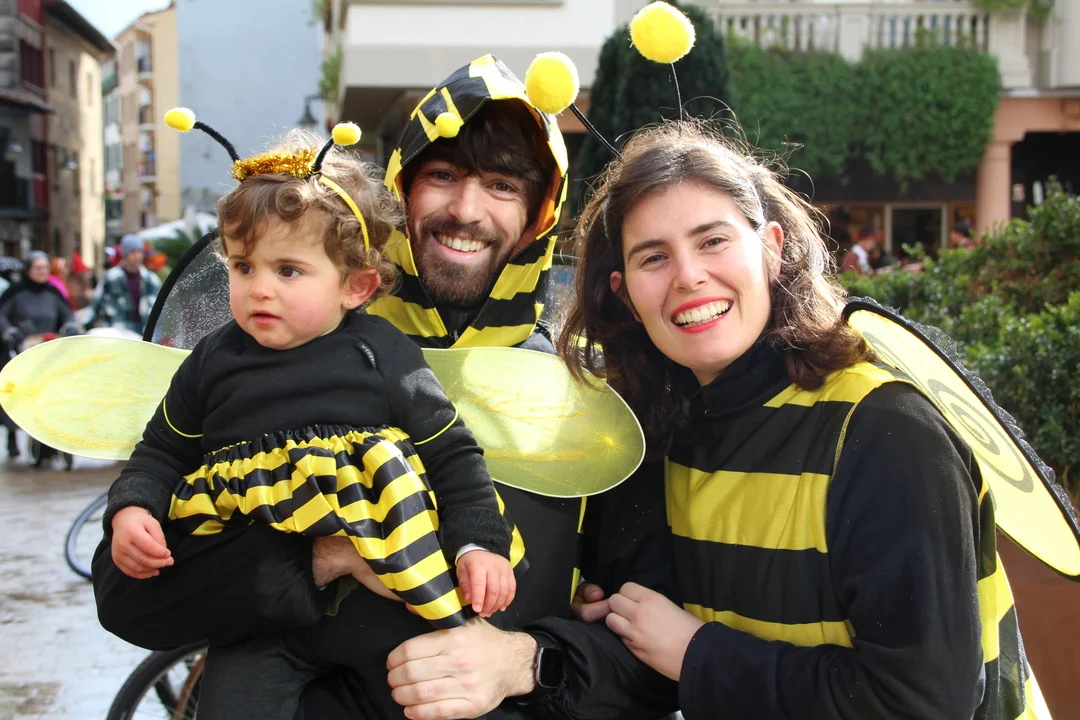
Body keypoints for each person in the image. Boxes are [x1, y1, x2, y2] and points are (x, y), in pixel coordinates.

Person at [92, 55, 679, 720]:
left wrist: (525, 660)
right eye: (442, 175)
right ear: (401, 187)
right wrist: (322, 557)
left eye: (502, 184)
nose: (466, 210)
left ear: (538, 215)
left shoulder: (587, 401)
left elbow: (653, 663)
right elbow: (130, 601)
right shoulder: (274, 355)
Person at [558, 121, 1049, 720]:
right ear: (625, 293)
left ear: (772, 248)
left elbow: (921, 703)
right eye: (654, 257)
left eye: (713, 241)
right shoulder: (673, 430)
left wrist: (694, 653)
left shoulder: (884, 429)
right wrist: (619, 612)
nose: (688, 275)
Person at [103, 126, 518, 719]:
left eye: (288, 270)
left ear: (356, 286)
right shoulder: (212, 361)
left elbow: (451, 452)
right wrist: (132, 510)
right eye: (243, 266)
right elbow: (162, 452)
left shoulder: (381, 352)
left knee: (426, 700)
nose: (259, 289)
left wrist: (479, 542)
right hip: (258, 614)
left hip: (387, 594)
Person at [0, 251, 79, 457]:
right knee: (18, 393)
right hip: (22, 348)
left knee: (50, 393)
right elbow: (2, 316)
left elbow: (67, 313)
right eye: (38, 267)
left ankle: (48, 441)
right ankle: (12, 435)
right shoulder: (15, 292)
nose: (43, 271)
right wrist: (9, 331)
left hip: (48, 349)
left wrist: (70, 325)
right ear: (28, 270)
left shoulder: (53, 292)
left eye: (45, 267)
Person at [85, 233, 161, 333]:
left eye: (139, 252)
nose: (137, 256)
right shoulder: (111, 277)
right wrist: (87, 324)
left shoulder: (150, 279)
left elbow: (161, 308)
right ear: (125, 255)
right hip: (118, 331)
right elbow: (96, 301)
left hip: (144, 330)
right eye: (132, 252)